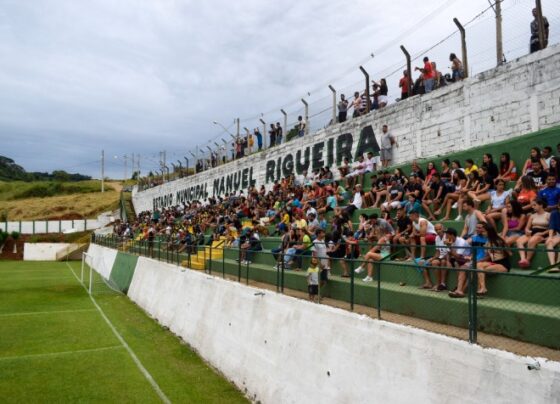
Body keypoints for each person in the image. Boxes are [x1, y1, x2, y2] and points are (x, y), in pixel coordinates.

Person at [476, 223, 511, 296]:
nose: (482, 233)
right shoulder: (487, 242)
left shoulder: (499, 240)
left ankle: (481, 289)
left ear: (489, 232)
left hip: (503, 264)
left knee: (481, 270)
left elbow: (510, 253)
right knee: (478, 265)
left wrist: (500, 250)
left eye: (483, 232)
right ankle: (483, 288)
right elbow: (487, 257)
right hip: (493, 262)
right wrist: (478, 261)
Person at [517, 198, 550, 268]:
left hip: (542, 234)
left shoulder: (548, 215)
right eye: (532, 205)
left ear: (541, 205)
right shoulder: (532, 215)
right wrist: (527, 231)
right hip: (532, 233)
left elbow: (552, 228)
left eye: (534, 205)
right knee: (519, 241)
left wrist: (543, 233)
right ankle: (523, 259)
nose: (533, 207)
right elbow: (527, 227)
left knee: (532, 241)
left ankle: (527, 260)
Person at [419, 223, 449, 290]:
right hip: (440, 256)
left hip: (447, 257)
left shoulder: (447, 236)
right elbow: (438, 252)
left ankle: (438, 284)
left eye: (439, 229)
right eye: (436, 230)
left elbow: (449, 252)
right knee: (421, 262)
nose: (438, 231)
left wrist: (435, 259)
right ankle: (428, 283)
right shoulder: (437, 238)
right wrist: (432, 258)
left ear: (443, 229)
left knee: (434, 262)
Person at [446, 228, 473, 298]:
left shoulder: (461, 242)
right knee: (456, 264)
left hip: (469, 260)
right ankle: (459, 289)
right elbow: (448, 253)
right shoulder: (449, 241)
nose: (446, 236)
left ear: (452, 235)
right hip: (460, 260)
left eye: (447, 234)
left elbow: (458, 256)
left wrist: (449, 247)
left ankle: (460, 290)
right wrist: (448, 261)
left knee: (468, 273)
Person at [545, 203, 560, 272]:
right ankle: (553, 266)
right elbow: (552, 226)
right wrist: (550, 237)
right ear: (559, 206)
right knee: (549, 243)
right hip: (558, 235)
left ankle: (557, 265)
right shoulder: (554, 213)